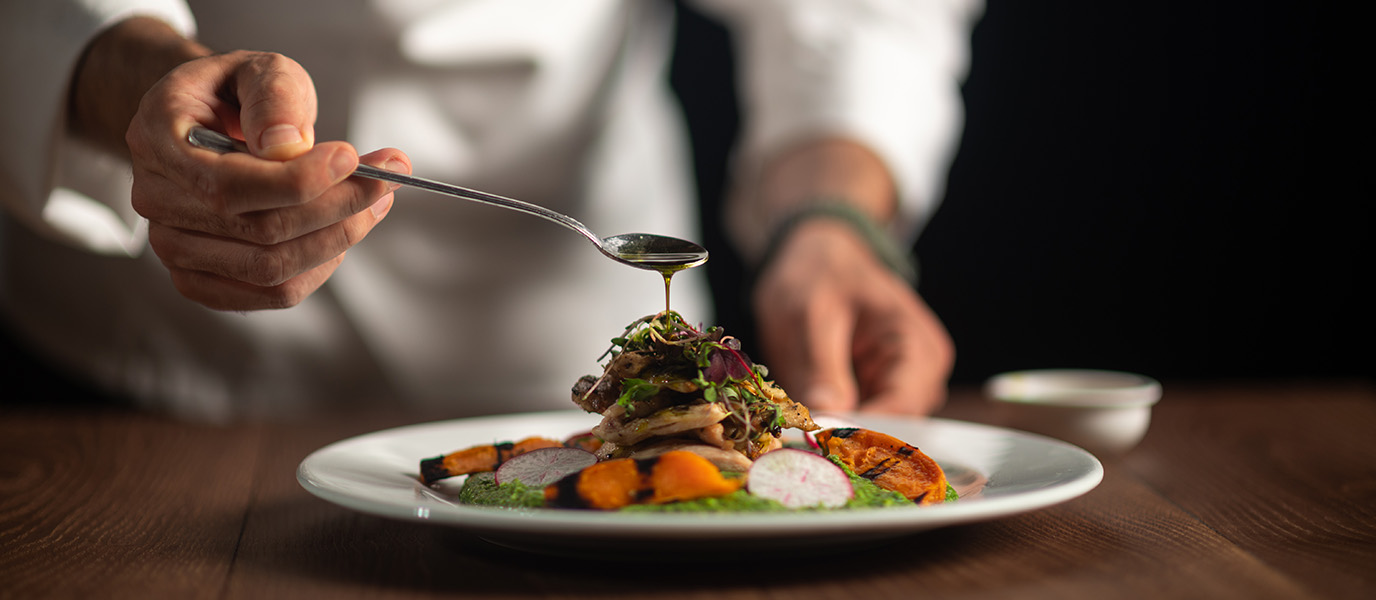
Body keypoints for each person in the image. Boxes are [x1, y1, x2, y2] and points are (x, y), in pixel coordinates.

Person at [0, 0, 979, 422]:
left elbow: (858, 14)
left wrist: (835, 221)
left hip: (560, 351)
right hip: (151, 374)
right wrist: (138, 81)